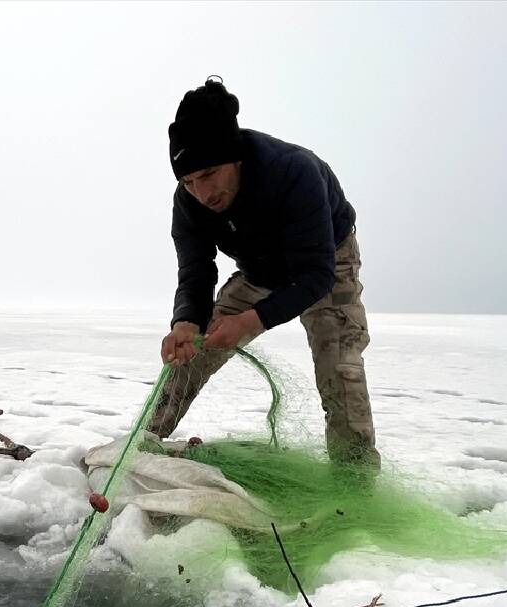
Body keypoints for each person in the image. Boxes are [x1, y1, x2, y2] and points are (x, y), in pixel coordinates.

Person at [154, 76, 381, 472]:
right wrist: (186, 320)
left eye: (208, 174)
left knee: (339, 367)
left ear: (234, 157)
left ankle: (355, 482)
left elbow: (315, 274)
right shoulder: (188, 203)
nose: (201, 193)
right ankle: (146, 440)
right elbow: (195, 270)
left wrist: (252, 319)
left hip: (326, 261)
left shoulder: (294, 171)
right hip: (259, 269)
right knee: (192, 350)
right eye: (188, 181)